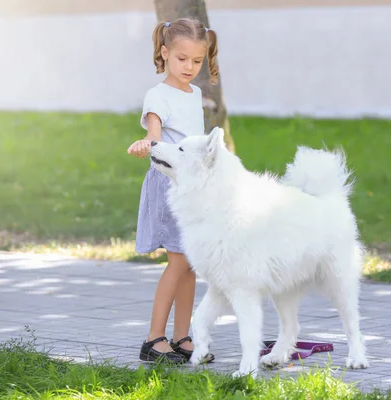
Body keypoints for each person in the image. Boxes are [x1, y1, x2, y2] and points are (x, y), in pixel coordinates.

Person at [127, 17, 219, 364]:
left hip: (192, 188)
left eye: (197, 61)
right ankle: (154, 338)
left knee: (191, 263)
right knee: (178, 261)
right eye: (182, 59)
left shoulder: (194, 93)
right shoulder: (158, 94)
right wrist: (145, 144)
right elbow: (154, 135)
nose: (190, 67)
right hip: (169, 186)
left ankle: (182, 336)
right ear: (165, 53)